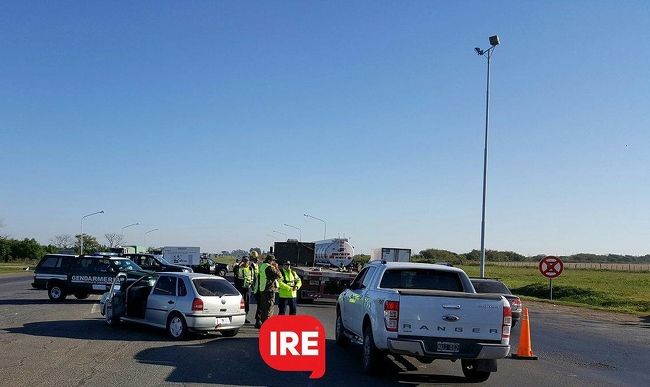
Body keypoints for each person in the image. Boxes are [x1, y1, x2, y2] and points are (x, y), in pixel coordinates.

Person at [255, 254, 282, 328]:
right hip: (269, 289)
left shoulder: (262, 266)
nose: (274, 262)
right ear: (270, 260)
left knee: (264, 308)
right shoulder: (269, 267)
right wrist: (276, 267)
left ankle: (263, 324)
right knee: (269, 308)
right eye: (273, 261)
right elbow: (279, 276)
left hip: (263, 289)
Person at [235, 257, 253, 322]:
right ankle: (239, 317)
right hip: (240, 287)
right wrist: (239, 265)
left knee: (247, 303)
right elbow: (235, 272)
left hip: (248, 288)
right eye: (244, 261)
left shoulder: (250, 268)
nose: (246, 262)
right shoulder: (238, 268)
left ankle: (245, 317)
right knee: (240, 303)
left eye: (247, 261)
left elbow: (252, 277)